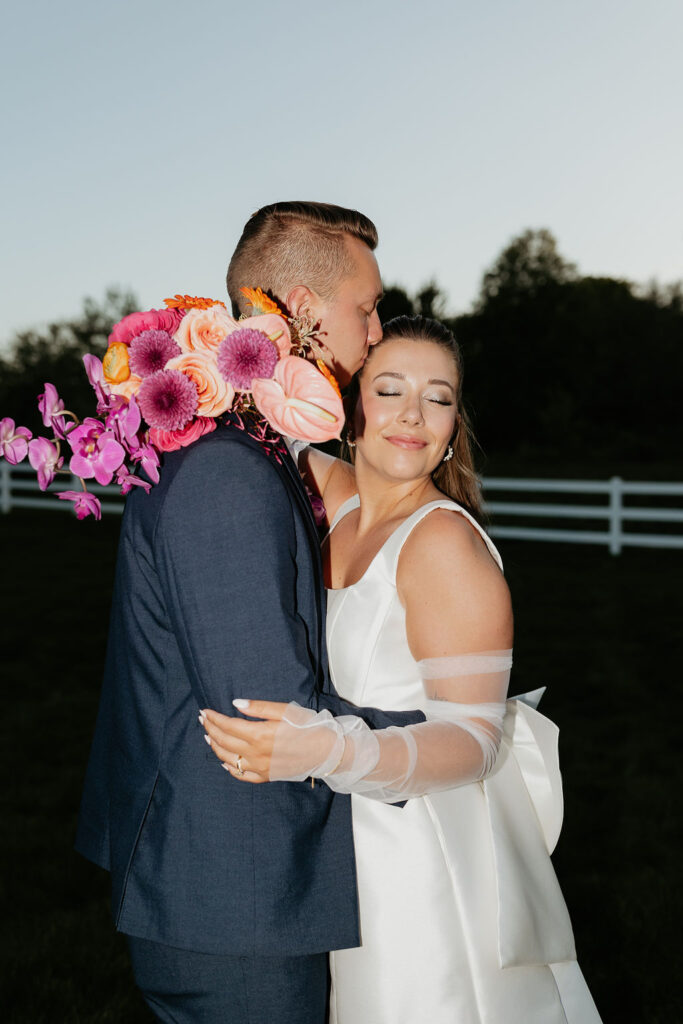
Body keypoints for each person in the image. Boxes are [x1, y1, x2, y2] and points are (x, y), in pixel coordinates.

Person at [74, 203, 428, 1024]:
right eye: (364, 307)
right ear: (302, 307)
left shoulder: (227, 451)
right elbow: (263, 715)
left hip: (218, 887)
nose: (374, 331)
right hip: (233, 896)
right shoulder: (225, 476)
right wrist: (436, 741)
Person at [200, 315, 603, 1023]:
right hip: (341, 851)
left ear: (454, 420)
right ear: (350, 405)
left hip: (419, 861)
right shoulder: (343, 505)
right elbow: (270, 422)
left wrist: (324, 748)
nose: (413, 415)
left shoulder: (442, 542)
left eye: (438, 396)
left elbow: (476, 740)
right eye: (388, 390)